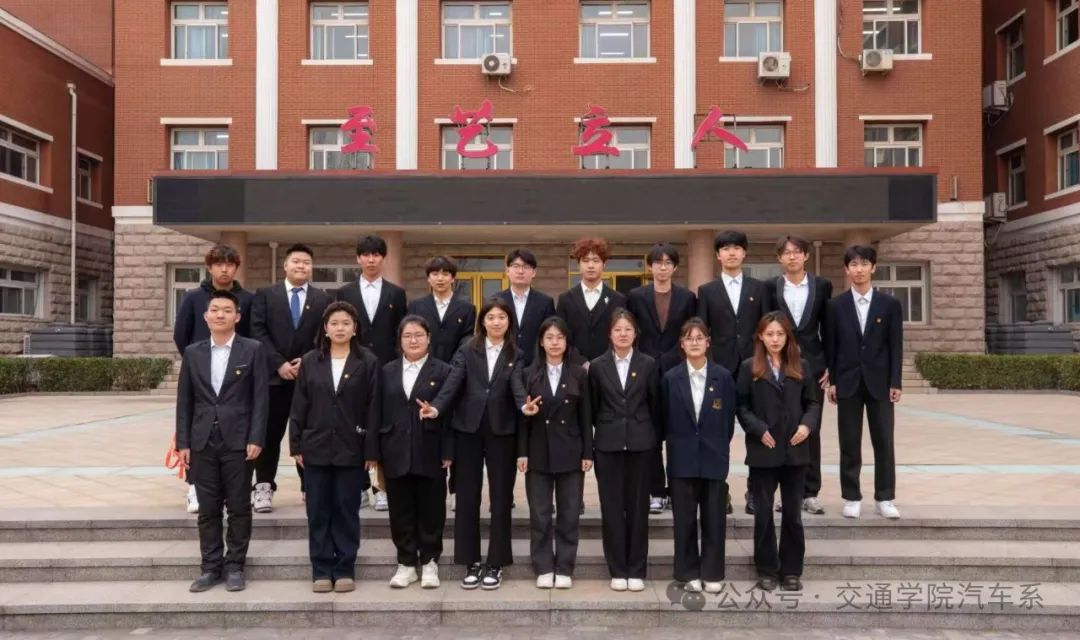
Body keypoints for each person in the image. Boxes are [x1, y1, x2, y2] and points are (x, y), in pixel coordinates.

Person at [425, 297, 527, 591]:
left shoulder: (516, 353)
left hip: (502, 431)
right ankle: (470, 562)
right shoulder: (467, 349)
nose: (496, 322)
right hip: (467, 430)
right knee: (467, 498)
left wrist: (524, 406)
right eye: (491, 317)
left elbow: (517, 386)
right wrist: (436, 407)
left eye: (502, 317)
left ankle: (496, 563)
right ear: (482, 321)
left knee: (501, 498)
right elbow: (453, 381)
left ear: (509, 322)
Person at [175, 289, 267, 593]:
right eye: (215, 310)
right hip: (202, 440)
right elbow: (184, 400)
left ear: (237, 316)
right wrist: (183, 442)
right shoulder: (193, 352)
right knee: (208, 509)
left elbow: (261, 398)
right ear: (206, 316)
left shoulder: (252, 349)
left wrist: (256, 437)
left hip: (239, 440)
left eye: (227, 310)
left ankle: (235, 566)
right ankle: (210, 567)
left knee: (239, 506)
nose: (220, 315)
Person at [288, 301, 381, 593]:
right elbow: (299, 405)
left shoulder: (368, 361)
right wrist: (296, 444)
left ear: (355, 328)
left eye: (346, 323)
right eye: (334, 323)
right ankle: (321, 569)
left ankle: (344, 569)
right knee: (317, 511)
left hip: (352, 447)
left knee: (346, 509)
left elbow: (374, 408)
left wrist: (371, 450)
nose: (340, 328)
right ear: (325, 329)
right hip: (315, 446)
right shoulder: (311, 360)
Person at [736, 311, 820, 592]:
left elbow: (813, 404)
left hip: (795, 450)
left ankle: (792, 570)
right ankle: (767, 569)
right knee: (763, 515)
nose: (775, 339)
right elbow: (742, 406)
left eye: (780, 334)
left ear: (787, 337)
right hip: (764, 450)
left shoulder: (801, 366)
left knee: (793, 514)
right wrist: (758, 429)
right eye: (770, 334)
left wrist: (807, 426)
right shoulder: (749, 367)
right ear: (760, 336)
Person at [249, 243, 331, 513]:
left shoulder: (322, 299)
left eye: (306, 262)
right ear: (285, 265)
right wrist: (279, 364)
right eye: (296, 261)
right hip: (273, 380)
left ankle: (309, 486)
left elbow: (325, 335)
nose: (301, 266)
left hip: (308, 379)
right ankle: (263, 486)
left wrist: (306, 360)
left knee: (308, 434)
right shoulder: (265, 295)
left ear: (312, 267)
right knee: (269, 434)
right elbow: (257, 332)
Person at [173, 244, 254, 514]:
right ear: (209, 267)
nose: (224, 269)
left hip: (236, 376)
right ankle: (194, 486)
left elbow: (252, 336)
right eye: (219, 264)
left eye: (230, 264)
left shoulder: (247, 299)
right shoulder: (193, 298)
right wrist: (197, 363)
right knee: (196, 431)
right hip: (201, 376)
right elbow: (181, 335)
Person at [825, 245, 904, 520]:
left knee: (884, 441)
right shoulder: (835, 306)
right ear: (847, 269)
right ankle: (851, 496)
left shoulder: (889, 304)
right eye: (854, 265)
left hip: (880, 383)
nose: (859, 269)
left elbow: (896, 346)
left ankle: (885, 497)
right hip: (847, 382)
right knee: (849, 442)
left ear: (873, 267)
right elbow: (832, 347)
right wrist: (832, 381)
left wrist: (896, 381)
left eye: (864, 264)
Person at [375, 314, 454, 589]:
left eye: (419, 335)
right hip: (394, 448)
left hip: (430, 448)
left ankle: (430, 561)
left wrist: (448, 451)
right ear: (400, 339)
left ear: (429, 338)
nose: (413, 340)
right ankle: (406, 563)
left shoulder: (444, 371)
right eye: (407, 335)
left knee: (432, 508)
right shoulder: (386, 371)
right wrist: (374, 451)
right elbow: (376, 412)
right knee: (400, 509)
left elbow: (450, 415)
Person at [696, 230, 771, 515]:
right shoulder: (707, 291)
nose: (731, 253)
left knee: (758, 430)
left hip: (755, 369)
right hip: (721, 371)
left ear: (744, 253)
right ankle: (720, 491)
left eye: (737, 248)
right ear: (718, 255)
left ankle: (755, 491)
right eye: (725, 248)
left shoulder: (759, 288)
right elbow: (702, 332)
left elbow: (767, 328)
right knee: (719, 432)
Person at [661, 318, 736, 594]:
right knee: (684, 520)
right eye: (689, 338)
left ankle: (712, 572)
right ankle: (687, 572)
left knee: (714, 519)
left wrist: (717, 446)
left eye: (699, 337)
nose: (694, 342)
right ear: (681, 344)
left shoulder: (723, 377)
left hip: (714, 457)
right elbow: (664, 418)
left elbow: (728, 421)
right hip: (682, 459)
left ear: (708, 342)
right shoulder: (671, 378)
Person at [518, 316, 592, 590]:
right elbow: (522, 419)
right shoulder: (528, 374)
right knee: (539, 514)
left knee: (569, 513)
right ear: (541, 341)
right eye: (549, 337)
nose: (554, 342)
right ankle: (543, 566)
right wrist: (522, 452)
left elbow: (586, 416)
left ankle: (564, 567)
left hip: (570, 451)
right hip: (537, 451)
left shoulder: (579, 374)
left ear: (567, 342)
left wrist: (588, 453)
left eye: (560, 337)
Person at [589, 309, 660, 593]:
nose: (623, 334)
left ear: (635, 333)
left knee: (639, 508)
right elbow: (593, 408)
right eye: (617, 329)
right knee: (612, 508)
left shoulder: (648, 364)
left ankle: (637, 569)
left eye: (628, 329)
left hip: (641, 445)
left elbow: (655, 405)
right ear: (610, 334)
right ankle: (618, 569)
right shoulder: (597, 366)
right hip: (608, 445)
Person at [336, 234, 408, 512]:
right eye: (366, 255)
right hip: (353, 367)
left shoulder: (396, 293)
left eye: (376, 254)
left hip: (387, 369)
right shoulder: (345, 293)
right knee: (354, 425)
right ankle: (360, 485)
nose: (371, 259)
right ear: (358, 258)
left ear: (383, 258)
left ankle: (382, 487)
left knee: (383, 427)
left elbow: (400, 333)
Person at [626, 242, 697, 514]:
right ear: (650, 266)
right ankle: (656, 490)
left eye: (668, 263)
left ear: (675, 267)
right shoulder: (636, 296)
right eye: (658, 262)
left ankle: (679, 489)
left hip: (678, 370)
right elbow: (631, 331)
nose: (663, 267)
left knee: (679, 431)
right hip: (644, 371)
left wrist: (675, 357)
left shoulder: (687, 298)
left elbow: (690, 332)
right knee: (651, 434)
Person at [764, 235, 833, 516]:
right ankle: (786, 493)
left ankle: (810, 492)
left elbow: (829, 328)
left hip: (814, 367)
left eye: (796, 252)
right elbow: (766, 327)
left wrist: (830, 366)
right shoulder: (771, 287)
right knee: (782, 427)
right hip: (779, 366)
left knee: (810, 428)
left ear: (806, 255)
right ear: (779, 258)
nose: (791, 257)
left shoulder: (822, 286)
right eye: (786, 253)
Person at [558, 237, 627, 363]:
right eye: (585, 261)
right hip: (573, 368)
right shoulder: (565, 299)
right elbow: (561, 336)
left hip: (609, 366)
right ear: (578, 265)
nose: (590, 266)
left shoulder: (617, 299)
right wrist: (581, 362)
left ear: (604, 264)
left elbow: (622, 335)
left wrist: (602, 364)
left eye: (596, 261)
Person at [407, 256, 476, 363]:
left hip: (455, 368)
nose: (440, 279)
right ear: (428, 278)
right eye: (435, 274)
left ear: (453, 278)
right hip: (423, 366)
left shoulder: (467, 308)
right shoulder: (416, 307)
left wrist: (456, 366)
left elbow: (466, 341)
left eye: (445, 274)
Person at [496, 248, 556, 368]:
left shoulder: (545, 302)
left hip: (535, 368)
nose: (520, 271)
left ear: (534, 272)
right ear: (507, 271)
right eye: (516, 266)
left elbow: (550, 334)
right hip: (502, 366)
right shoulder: (496, 301)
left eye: (526, 267)